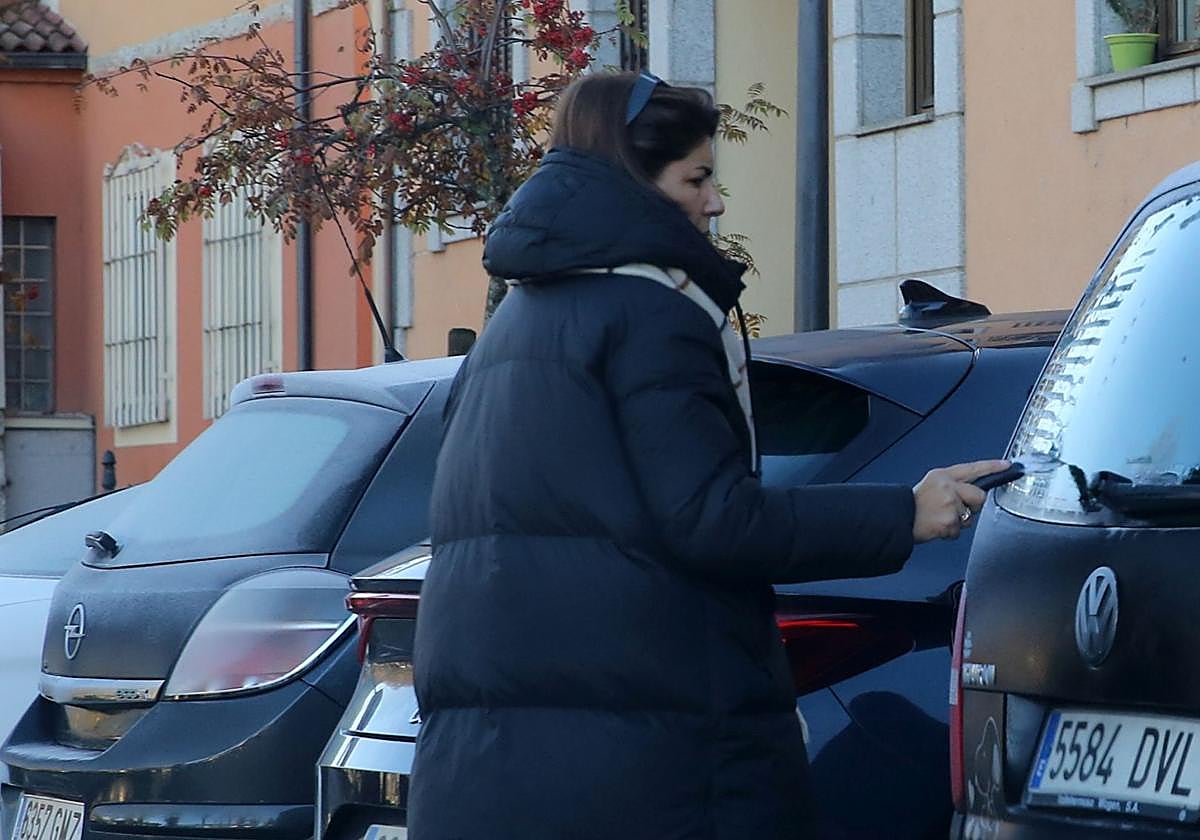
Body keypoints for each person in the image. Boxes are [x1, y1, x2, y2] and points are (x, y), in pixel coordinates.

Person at [408, 71, 1005, 840]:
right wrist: (905, 512)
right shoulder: (654, 315)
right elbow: (714, 520)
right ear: (635, 181)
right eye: (696, 178)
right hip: (650, 764)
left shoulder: (515, 324)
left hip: (506, 772)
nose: (715, 203)